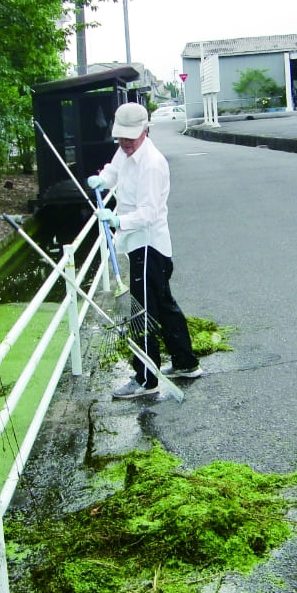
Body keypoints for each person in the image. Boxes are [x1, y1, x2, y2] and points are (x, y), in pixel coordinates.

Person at [87, 102, 201, 399]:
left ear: (145, 130)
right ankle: (186, 362)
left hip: (148, 244)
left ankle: (146, 378)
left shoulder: (152, 163)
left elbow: (149, 212)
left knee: (142, 313)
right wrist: (103, 178)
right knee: (163, 304)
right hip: (140, 243)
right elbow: (114, 169)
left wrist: (117, 219)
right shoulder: (126, 151)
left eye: (130, 138)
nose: (124, 143)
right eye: (121, 138)